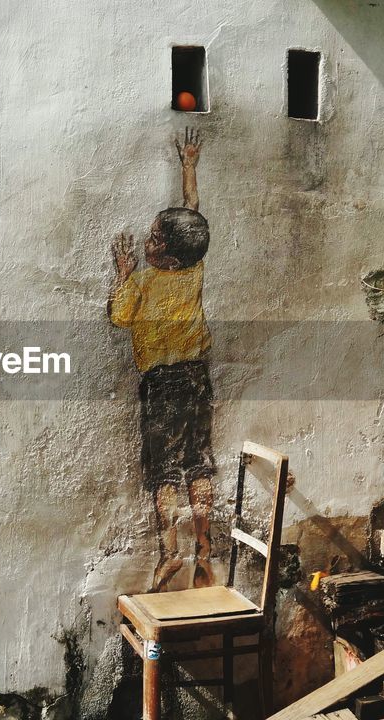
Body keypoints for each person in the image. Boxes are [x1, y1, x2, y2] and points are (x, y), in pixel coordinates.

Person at [109, 128, 217, 591]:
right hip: (196, 377)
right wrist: (189, 166)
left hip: (160, 385)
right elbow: (192, 214)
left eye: (154, 239)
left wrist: (123, 275)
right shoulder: (193, 266)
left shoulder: (146, 281)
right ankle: (207, 549)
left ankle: (171, 551)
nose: (148, 241)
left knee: (164, 471)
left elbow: (118, 316)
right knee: (200, 462)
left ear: (166, 257)